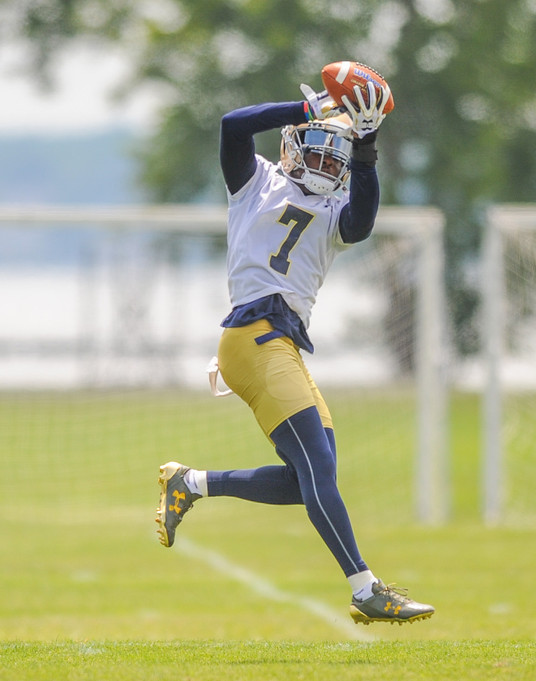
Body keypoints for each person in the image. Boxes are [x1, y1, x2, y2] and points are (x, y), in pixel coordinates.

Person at [155, 77, 434, 626]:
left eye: (339, 154)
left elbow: (365, 219)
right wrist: (307, 106)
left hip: (280, 345)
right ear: (291, 142)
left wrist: (368, 145)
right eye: (318, 145)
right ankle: (365, 588)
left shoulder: (335, 214)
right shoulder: (254, 182)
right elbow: (232, 125)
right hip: (253, 337)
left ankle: (189, 482)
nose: (328, 162)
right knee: (318, 471)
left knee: (310, 474)